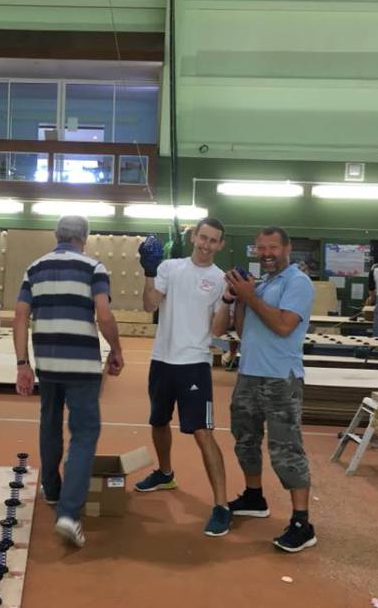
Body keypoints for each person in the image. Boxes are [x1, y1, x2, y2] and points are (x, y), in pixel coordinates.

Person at [13, 215, 124, 548]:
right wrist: (116, 349)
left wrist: (22, 364)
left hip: (47, 363)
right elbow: (103, 314)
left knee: (49, 423)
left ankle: (51, 489)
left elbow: (20, 316)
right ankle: (69, 513)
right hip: (82, 365)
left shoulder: (34, 268)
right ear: (85, 238)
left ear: (55, 235)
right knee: (84, 434)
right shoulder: (94, 268)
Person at [213, 225, 317, 553]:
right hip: (248, 375)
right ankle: (254, 497)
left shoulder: (297, 282)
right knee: (245, 441)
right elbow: (244, 330)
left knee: (286, 449)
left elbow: (284, 326)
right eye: (261, 248)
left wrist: (250, 296)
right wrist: (238, 298)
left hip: (280, 379)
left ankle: (302, 523)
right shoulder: (263, 284)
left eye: (272, 247)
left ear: (287, 249)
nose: (266, 254)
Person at [134, 218, 232, 537]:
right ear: (193, 237)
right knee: (158, 421)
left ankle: (221, 505)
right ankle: (165, 474)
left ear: (221, 245)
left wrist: (228, 300)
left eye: (213, 240)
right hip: (162, 360)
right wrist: (149, 271)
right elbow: (149, 304)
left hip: (194, 364)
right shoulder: (169, 268)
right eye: (203, 237)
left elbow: (218, 329)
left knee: (202, 432)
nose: (206, 244)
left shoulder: (220, 279)